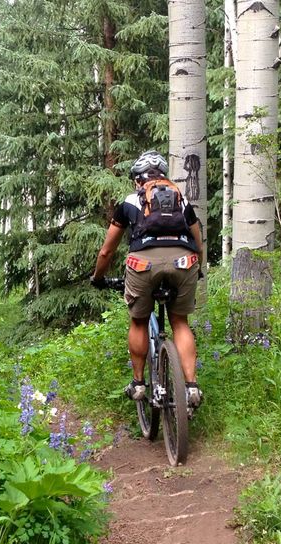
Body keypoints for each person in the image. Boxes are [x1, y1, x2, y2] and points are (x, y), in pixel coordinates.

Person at [90, 150, 204, 412]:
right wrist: (198, 269)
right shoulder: (181, 199)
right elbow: (198, 242)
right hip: (184, 262)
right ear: (162, 176)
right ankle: (191, 386)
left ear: (137, 180)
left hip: (143, 265)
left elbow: (107, 250)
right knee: (180, 322)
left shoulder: (130, 201)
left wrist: (98, 277)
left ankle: (139, 383)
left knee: (139, 320)